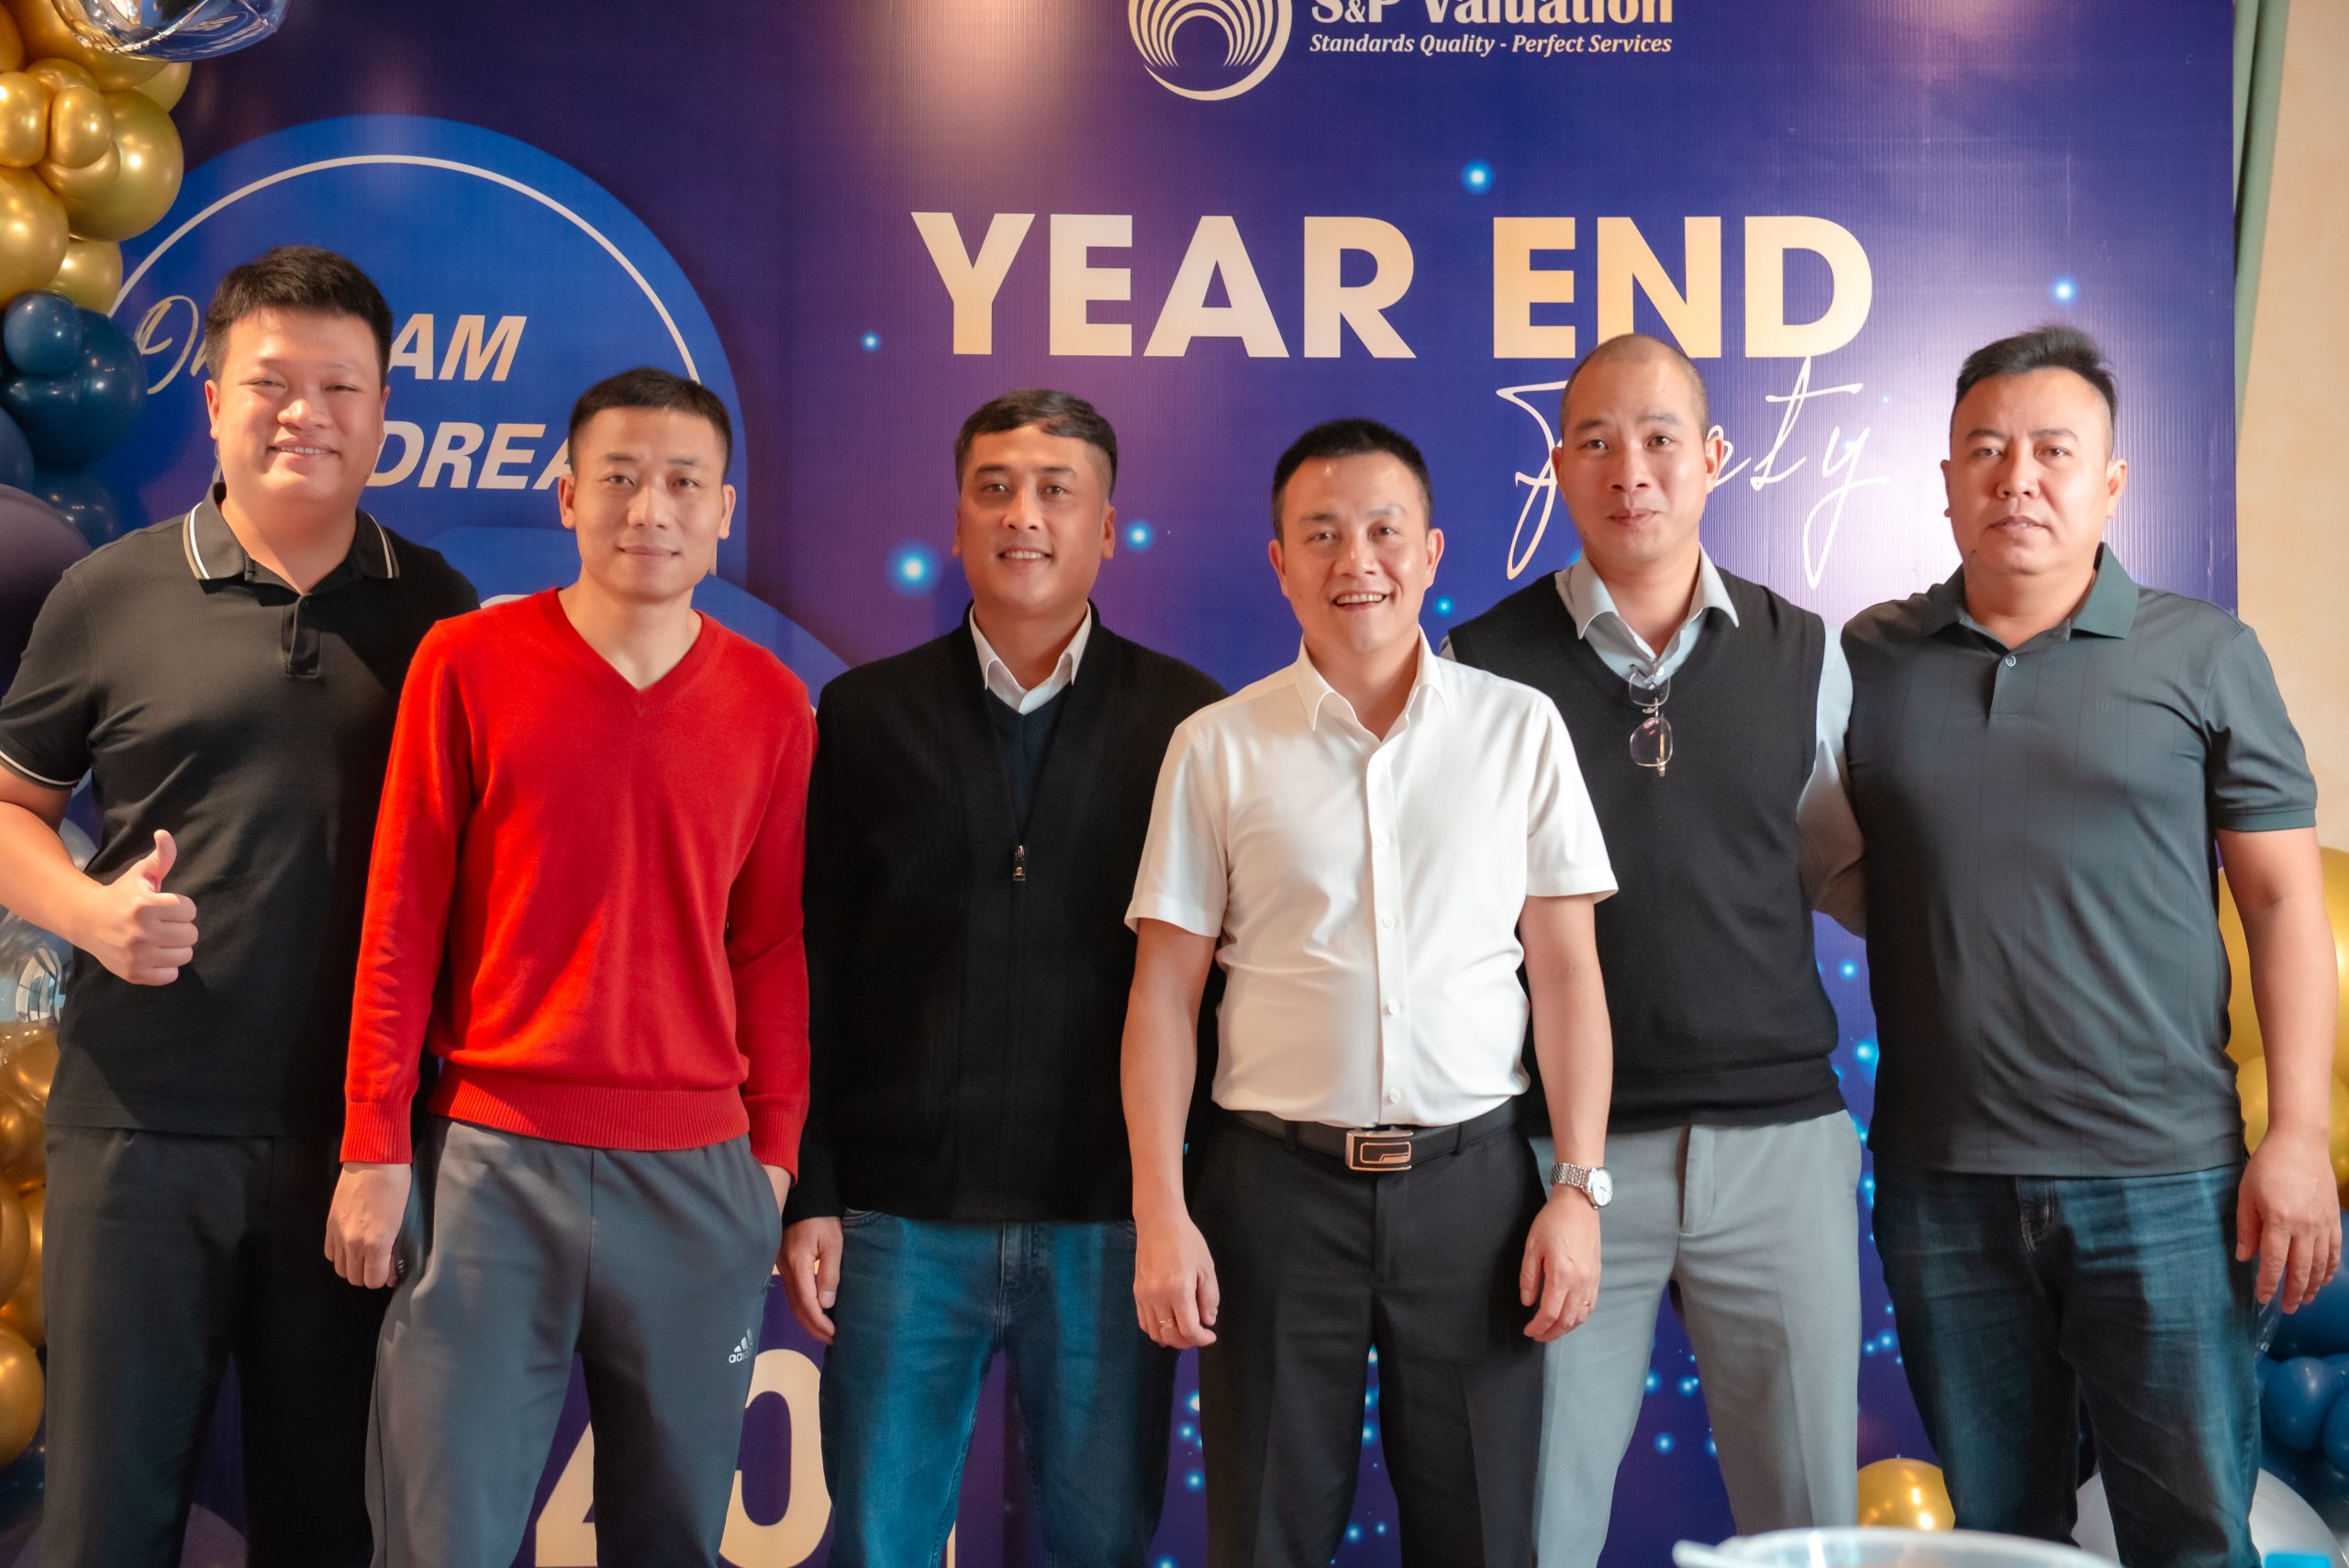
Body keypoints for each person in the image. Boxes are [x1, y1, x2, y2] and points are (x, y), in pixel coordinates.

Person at [0, 246, 476, 1567]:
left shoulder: (440, 613)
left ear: (382, 412)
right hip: (137, 1131)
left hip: (354, 1149)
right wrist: (90, 912)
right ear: (213, 401)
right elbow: (10, 808)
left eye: (340, 386)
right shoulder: (111, 592)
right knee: (105, 1523)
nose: (303, 413)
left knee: (326, 1523)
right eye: (270, 382)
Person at [1845, 325, 2339, 1567]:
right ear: (1946, 478)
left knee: (2191, 1538)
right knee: (2002, 1539)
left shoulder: (2204, 654)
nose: (2018, 477)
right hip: (1941, 1182)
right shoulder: (1867, 660)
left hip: (2162, 1180)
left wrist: (2295, 1135)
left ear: (2111, 482)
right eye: (1986, 449)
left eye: (2054, 451)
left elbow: (2284, 904)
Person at [324, 368, 812, 1568]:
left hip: (700, 1179)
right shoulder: (466, 661)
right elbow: (402, 917)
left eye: (682, 482)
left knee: (671, 1540)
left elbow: (770, 945)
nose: (650, 508)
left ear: (724, 510)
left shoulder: (771, 703)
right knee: (443, 1541)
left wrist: (772, 1158)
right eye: (619, 477)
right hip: (491, 1166)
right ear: (566, 497)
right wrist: (374, 1140)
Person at [1124, 417, 1616, 1567]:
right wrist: (1162, 1210)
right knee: (1264, 1537)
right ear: (1279, 561)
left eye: (1385, 531)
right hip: (1272, 1196)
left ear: (1431, 551)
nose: (1358, 561)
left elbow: (1565, 971)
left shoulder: (1517, 728)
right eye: (1322, 533)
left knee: (1483, 1539)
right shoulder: (1215, 746)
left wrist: (1578, 1187)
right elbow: (1161, 997)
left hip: (1474, 1196)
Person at [780, 387, 1222, 1564]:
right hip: (899, 1226)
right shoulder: (865, 714)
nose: (1023, 515)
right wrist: (811, 1185)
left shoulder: (1188, 722)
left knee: (1100, 1542)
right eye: (995, 489)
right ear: (959, 517)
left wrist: (1187, 1202)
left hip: (1110, 1225)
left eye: (1055, 490)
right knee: (880, 1542)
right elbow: (813, 964)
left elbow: (1220, 988)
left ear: (1106, 526)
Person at [1447, 332, 1865, 1563]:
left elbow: (1844, 872)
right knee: (1532, 1528)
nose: (1630, 469)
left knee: (1809, 1531)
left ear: (1713, 456)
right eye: (1595, 441)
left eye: (1660, 438)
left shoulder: (1806, 653)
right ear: (1559, 468)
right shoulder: (1479, 665)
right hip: (1557, 1166)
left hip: (1778, 1146)